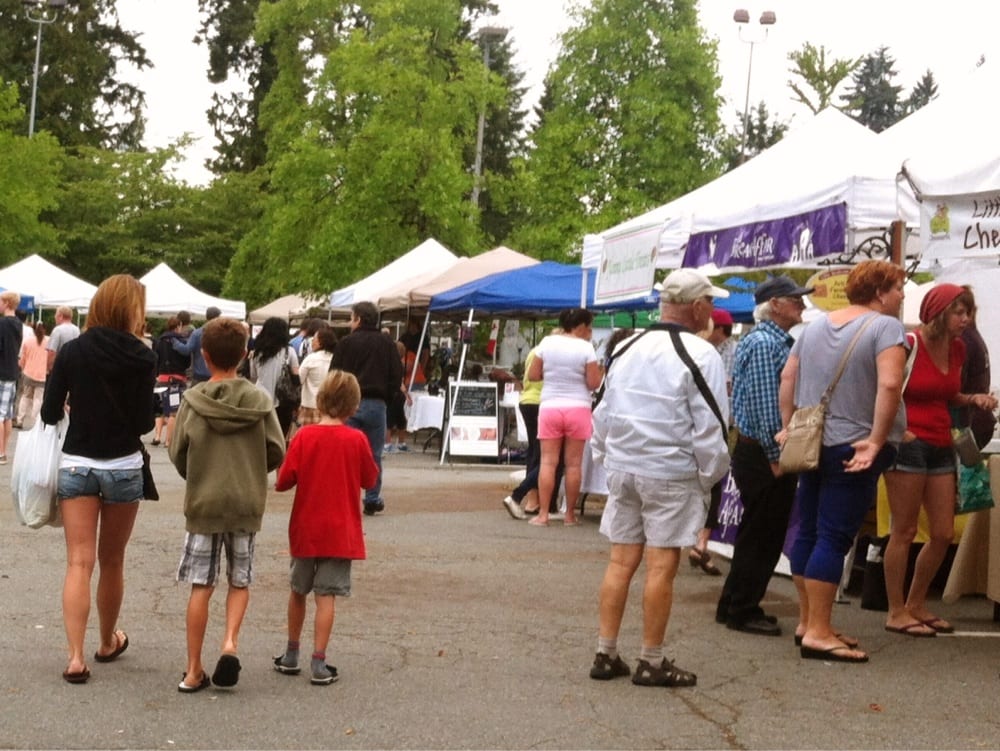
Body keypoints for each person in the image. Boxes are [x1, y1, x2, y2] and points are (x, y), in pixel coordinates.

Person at [589, 268, 730, 688]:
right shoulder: (702, 354)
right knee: (661, 565)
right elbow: (712, 426)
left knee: (620, 561)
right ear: (698, 306)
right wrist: (708, 477)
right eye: (710, 302)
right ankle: (651, 658)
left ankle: (606, 650)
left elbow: (602, 410)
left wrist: (606, 456)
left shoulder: (627, 345)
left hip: (625, 466)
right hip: (670, 470)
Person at [778, 259, 907, 663]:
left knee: (810, 532)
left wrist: (788, 427)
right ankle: (818, 631)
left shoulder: (815, 326)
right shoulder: (886, 327)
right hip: (853, 445)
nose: (902, 295)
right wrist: (875, 440)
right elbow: (889, 382)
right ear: (880, 291)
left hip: (812, 441)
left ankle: (809, 621)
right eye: (899, 287)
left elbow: (788, 376)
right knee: (834, 537)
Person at [40, 275, 156, 684]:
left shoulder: (73, 351)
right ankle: (107, 640)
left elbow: (49, 410)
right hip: (123, 465)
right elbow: (144, 422)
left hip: (77, 465)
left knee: (78, 561)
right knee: (112, 560)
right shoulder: (142, 356)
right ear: (131, 310)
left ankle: (74, 657)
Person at [169, 317, 286, 692]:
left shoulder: (193, 400)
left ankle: (192, 669)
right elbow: (276, 449)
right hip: (245, 500)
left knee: (201, 584)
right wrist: (253, 469)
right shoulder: (259, 401)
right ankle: (230, 643)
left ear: (204, 354)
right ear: (244, 354)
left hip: (204, 500)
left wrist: (199, 473)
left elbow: (178, 452)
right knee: (240, 579)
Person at [883, 284, 997, 638]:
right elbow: (886, 388)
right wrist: (893, 432)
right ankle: (895, 609)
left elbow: (948, 395)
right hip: (909, 442)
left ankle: (916, 603)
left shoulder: (959, 348)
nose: (965, 320)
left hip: (942, 441)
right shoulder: (910, 344)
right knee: (903, 530)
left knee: (944, 532)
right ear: (939, 312)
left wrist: (974, 399)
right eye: (958, 313)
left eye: (969, 313)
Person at [715, 277, 814, 635]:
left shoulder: (766, 341)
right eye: (795, 300)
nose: (801, 305)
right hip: (763, 451)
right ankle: (742, 608)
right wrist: (777, 455)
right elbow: (764, 404)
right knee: (764, 533)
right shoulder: (763, 343)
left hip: (757, 448)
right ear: (774, 304)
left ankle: (734, 603)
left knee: (758, 531)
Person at [273, 370, 379, 685]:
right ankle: (319, 661)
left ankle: (291, 653)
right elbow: (369, 479)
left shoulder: (304, 436)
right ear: (353, 406)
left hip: (306, 526)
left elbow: (283, 482)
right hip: (340, 530)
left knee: (298, 590)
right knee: (327, 595)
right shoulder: (357, 439)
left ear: (320, 399)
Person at [526, 308, 602, 527]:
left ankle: (543, 515)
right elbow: (594, 382)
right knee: (573, 465)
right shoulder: (586, 348)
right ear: (580, 326)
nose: (590, 332)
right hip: (578, 407)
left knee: (548, 462)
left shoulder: (547, 344)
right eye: (589, 327)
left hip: (550, 406)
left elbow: (533, 374)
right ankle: (569, 515)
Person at [330, 301, 402, 517]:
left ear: (358, 319)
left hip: (348, 402)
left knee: (345, 452)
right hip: (377, 402)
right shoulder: (387, 343)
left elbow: (335, 373)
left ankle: (344, 495)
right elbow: (396, 374)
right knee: (374, 453)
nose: (350, 323)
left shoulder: (346, 343)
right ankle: (372, 497)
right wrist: (387, 397)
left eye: (351, 318)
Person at [502, 335, 565, 519]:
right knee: (549, 458)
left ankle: (532, 500)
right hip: (542, 402)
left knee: (535, 454)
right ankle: (525, 497)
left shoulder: (535, 351)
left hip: (527, 400)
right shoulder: (553, 354)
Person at [249, 316, 301, 437]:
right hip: (283, 400)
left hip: (260, 397)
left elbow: (253, 375)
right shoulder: (290, 352)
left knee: (261, 435)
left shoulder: (257, 352)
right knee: (280, 436)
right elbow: (296, 378)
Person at [153, 316, 191, 448]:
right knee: (173, 412)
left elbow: (155, 359)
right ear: (178, 326)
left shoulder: (159, 341)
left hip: (161, 378)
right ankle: (168, 441)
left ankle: (157, 435)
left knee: (160, 410)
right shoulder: (181, 341)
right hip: (176, 380)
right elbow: (187, 362)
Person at [0, 291, 24, 464]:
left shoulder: (2, 324)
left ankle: (0, 453)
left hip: (1, 373)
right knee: (7, 415)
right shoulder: (18, 323)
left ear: (6, 303)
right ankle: (3, 450)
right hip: (12, 372)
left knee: (0, 416)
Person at [297, 326, 338, 427]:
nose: (312, 342)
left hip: (310, 405)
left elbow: (299, 380)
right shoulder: (336, 358)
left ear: (321, 342)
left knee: (308, 437)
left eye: (314, 339)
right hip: (329, 407)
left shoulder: (310, 359)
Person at [170, 306, 222, 385]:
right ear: (218, 317)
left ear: (206, 317)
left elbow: (186, 350)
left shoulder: (197, 333)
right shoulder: (223, 333)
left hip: (200, 377)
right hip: (218, 376)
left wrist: (174, 340)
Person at [16, 321, 49, 430]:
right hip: (42, 374)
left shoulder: (28, 341)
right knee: (38, 399)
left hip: (28, 373)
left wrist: (22, 368)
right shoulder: (48, 341)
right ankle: (34, 421)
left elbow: (22, 359)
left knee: (25, 396)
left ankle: (20, 420)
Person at [46, 305, 81, 374]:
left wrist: (49, 368)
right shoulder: (77, 329)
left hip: (60, 369)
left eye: (56, 315)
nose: (54, 317)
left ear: (61, 316)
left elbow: (52, 352)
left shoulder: (57, 330)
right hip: (73, 368)